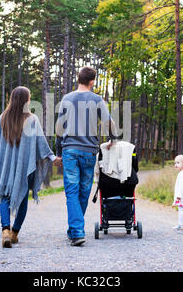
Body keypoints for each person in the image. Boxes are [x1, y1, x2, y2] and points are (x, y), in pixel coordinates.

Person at [0, 86, 61, 248]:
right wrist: (53, 158)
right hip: (24, 168)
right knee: (22, 198)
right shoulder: (32, 119)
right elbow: (41, 143)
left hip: (7, 167)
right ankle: (14, 233)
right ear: (27, 100)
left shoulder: (3, 118)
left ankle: (5, 230)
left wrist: (4, 155)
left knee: (4, 197)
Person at [55, 66, 117, 246]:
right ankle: (76, 231)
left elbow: (59, 129)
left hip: (70, 151)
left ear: (78, 79)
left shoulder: (67, 98)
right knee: (83, 191)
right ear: (92, 81)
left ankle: (75, 231)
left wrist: (59, 153)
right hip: (89, 151)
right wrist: (113, 139)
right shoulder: (97, 99)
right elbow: (108, 122)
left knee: (72, 192)